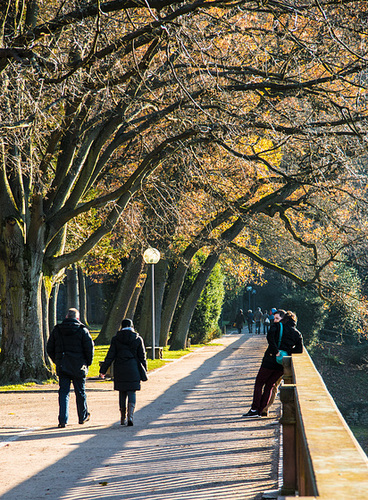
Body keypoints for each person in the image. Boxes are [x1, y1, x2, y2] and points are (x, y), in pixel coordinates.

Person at [243, 310, 303, 418]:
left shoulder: (278, 326)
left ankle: (254, 409)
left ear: (285, 319)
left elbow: (270, 338)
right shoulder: (297, 333)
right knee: (270, 386)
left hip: (270, 360)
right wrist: (287, 352)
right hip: (282, 363)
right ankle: (261, 410)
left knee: (259, 383)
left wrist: (276, 351)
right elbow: (299, 350)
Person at [47, 308, 94, 428]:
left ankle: (63, 419)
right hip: (79, 366)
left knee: (64, 393)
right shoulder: (83, 330)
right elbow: (89, 348)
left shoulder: (57, 330)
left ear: (67, 317)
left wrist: (57, 361)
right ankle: (82, 417)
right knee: (80, 392)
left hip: (63, 365)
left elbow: (49, 348)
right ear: (77, 318)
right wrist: (87, 362)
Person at [99, 318, 147, 426]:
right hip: (133, 368)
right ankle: (130, 416)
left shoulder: (116, 339)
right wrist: (144, 370)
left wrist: (103, 370)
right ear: (132, 326)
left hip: (120, 368)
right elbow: (142, 356)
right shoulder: (138, 339)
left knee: (122, 392)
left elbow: (110, 356)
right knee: (132, 391)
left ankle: (122, 417)